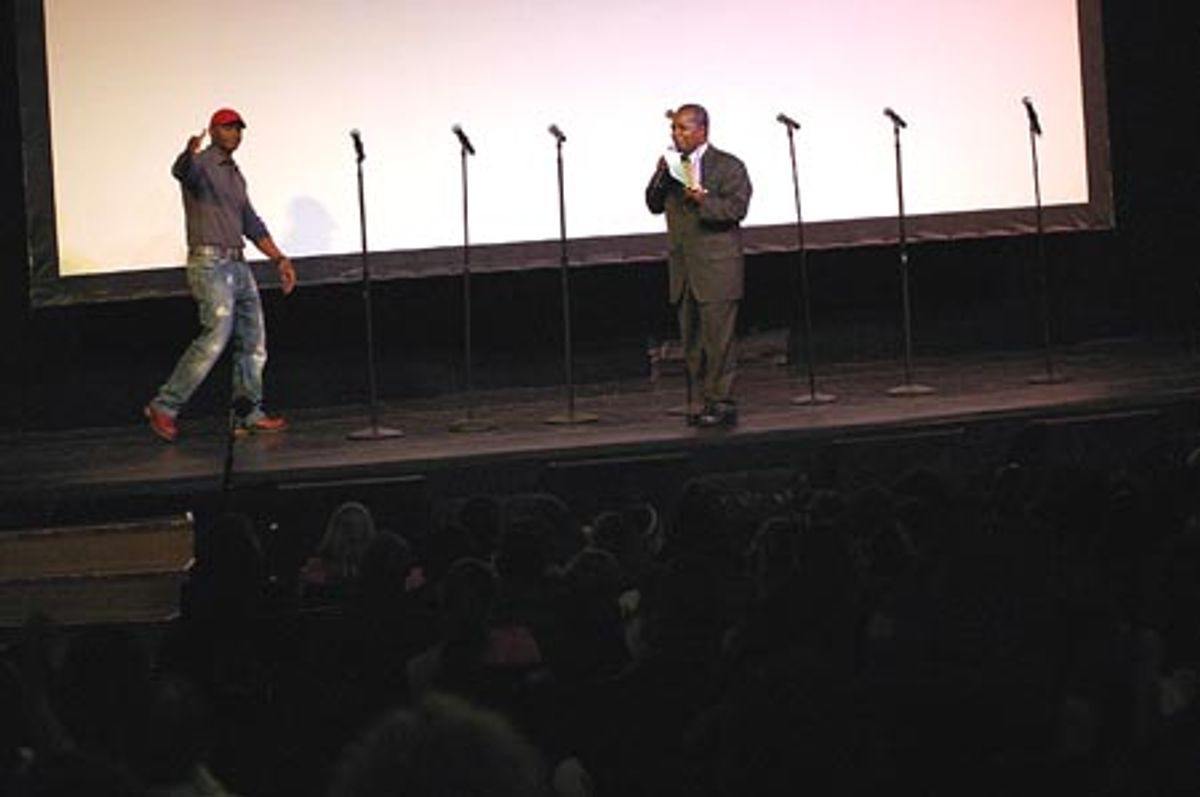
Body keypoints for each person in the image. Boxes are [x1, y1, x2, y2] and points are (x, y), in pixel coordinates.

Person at [144, 107, 296, 442]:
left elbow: (251, 223)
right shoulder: (200, 164)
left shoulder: (235, 174)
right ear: (214, 131)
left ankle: (247, 415)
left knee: (253, 342)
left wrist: (279, 259)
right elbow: (180, 171)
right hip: (210, 263)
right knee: (215, 336)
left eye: (239, 128)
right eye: (228, 128)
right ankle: (164, 406)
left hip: (238, 264)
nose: (236, 133)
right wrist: (187, 153)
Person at [646, 103, 752, 428]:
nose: (676, 134)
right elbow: (652, 204)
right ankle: (704, 399)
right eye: (674, 129)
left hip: (717, 269)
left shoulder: (728, 165)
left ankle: (722, 401)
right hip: (685, 269)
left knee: (718, 341)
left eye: (683, 128)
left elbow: (736, 209)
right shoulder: (673, 168)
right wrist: (661, 175)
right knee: (692, 342)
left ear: (702, 130)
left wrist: (702, 199)